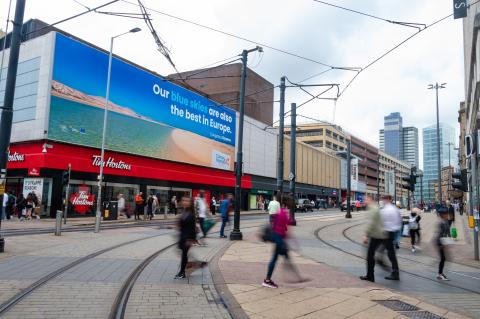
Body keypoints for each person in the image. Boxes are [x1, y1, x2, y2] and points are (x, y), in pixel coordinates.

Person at [263, 195, 305, 288]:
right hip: (279, 238)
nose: (292, 204)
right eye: (291, 202)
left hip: (278, 238)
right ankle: (297, 277)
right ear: (287, 203)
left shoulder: (282, 212)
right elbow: (286, 230)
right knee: (283, 258)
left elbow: (283, 228)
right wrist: (294, 244)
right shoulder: (283, 213)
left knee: (278, 258)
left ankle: (268, 279)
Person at [360, 195, 387, 282]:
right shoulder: (375, 207)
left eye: (366, 199)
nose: (364, 201)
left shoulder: (373, 209)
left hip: (376, 235)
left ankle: (370, 276)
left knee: (370, 256)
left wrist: (366, 235)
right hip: (379, 234)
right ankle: (371, 274)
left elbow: (370, 223)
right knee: (371, 255)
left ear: (370, 199)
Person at [175, 196, 198, 279]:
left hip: (187, 238)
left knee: (184, 255)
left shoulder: (191, 214)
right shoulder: (184, 211)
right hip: (182, 236)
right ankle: (192, 265)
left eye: (187, 201)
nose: (185, 202)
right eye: (184, 200)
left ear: (190, 203)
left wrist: (191, 239)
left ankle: (182, 272)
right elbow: (181, 225)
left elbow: (193, 228)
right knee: (184, 254)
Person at [380, 195, 401, 280]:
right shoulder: (393, 209)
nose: (383, 200)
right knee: (388, 253)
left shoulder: (388, 209)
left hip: (387, 233)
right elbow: (398, 223)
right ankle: (393, 271)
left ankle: (395, 272)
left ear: (389, 199)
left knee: (390, 254)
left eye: (384, 199)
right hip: (389, 233)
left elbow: (381, 221)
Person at [436, 207, 451, 281]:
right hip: (440, 242)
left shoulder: (445, 221)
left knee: (443, 258)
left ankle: (440, 273)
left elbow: (447, 232)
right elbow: (440, 234)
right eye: (446, 213)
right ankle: (439, 274)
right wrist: (441, 245)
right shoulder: (442, 223)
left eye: (447, 213)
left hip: (442, 242)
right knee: (443, 259)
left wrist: (449, 240)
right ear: (442, 215)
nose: (447, 214)